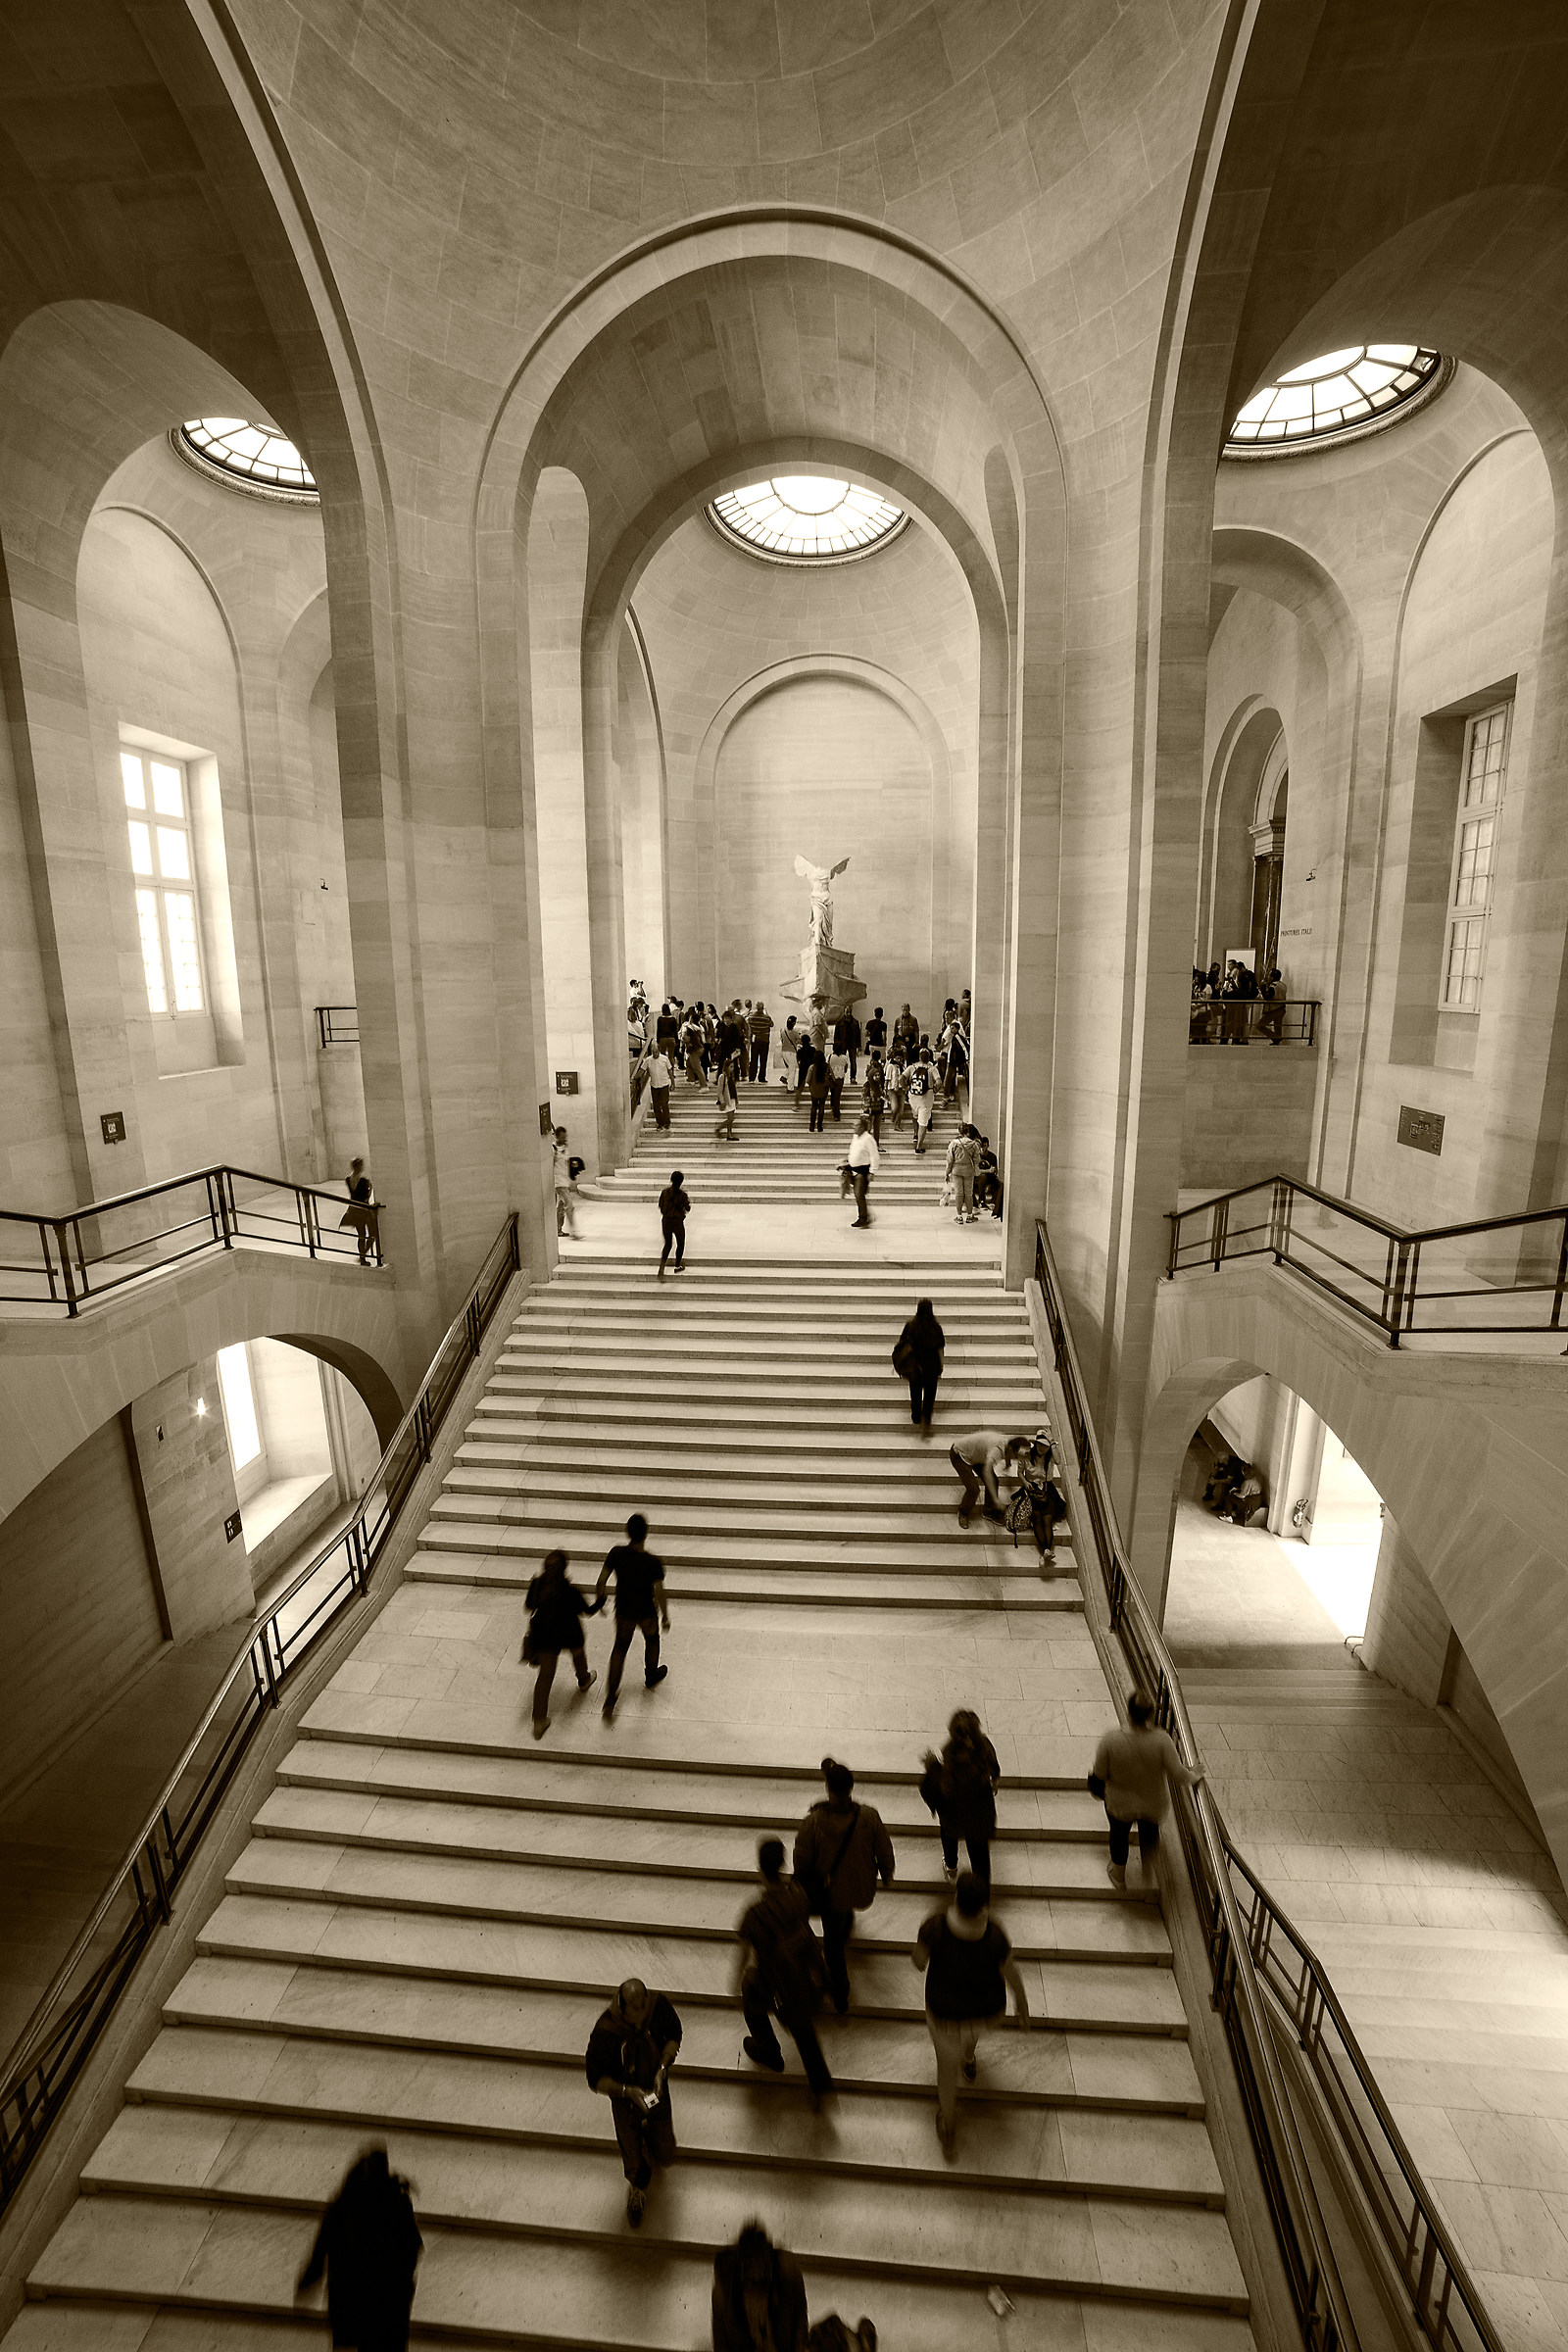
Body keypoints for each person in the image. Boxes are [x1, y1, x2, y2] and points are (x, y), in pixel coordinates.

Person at [911, 1870, 1032, 2157]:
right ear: (983, 1905)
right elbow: (1011, 1973)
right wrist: (1023, 2003)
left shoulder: (936, 1927)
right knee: (972, 2032)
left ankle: (949, 2123)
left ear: (956, 1897)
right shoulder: (994, 1935)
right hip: (986, 2011)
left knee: (945, 2071)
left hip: (944, 2015)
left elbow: (918, 1962)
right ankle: (968, 2058)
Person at [793, 1757, 895, 2015]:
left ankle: (840, 1994)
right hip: (859, 1886)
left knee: (833, 1947)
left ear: (828, 1789)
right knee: (842, 1917)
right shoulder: (869, 1817)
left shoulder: (814, 1823)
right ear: (851, 1788)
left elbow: (801, 1861)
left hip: (830, 1895)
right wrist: (886, 1874)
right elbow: (884, 1849)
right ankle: (846, 1921)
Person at [735, 1838, 833, 2104]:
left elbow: (743, 1954)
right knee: (804, 2031)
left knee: (749, 1994)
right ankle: (821, 2086)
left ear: (759, 1868)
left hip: (775, 1982)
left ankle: (768, 2050)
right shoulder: (798, 1894)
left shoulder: (753, 1914)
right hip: (804, 1975)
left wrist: (736, 1979)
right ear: (782, 1863)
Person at [1090, 1689, 1206, 1895]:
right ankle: (1147, 1875)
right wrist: (1194, 1774)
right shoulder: (1162, 1741)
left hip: (1119, 1804)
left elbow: (1098, 1774)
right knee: (1150, 1835)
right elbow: (1180, 1775)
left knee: (1118, 1835)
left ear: (1128, 1712)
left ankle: (1119, 1875)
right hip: (1153, 1804)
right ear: (1151, 1715)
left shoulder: (1111, 1741)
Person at [586, 1977, 682, 2228]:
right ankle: (638, 2187)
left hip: (655, 2089)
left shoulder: (658, 2007)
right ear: (623, 2007)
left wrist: (662, 2067)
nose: (640, 2017)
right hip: (624, 2097)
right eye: (634, 2013)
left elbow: (674, 2033)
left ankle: (651, 2139)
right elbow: (595, 2079)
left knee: (666, 2154)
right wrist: (627, 2091)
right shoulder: (605, 2032)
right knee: (632, 2151)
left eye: (643, 2007)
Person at [595, 1512, 669, 1716]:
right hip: (646, 1611)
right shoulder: (653, 1562)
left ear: (627, 1532)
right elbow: (660, 1592)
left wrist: (600, 1601)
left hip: (624, 1611)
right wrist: (665, 1616)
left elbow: (601, 1581)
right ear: (646, 1534)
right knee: (652, 1640)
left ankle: (610, 1696)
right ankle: (651, 1674)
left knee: (619, 1648)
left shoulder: (616, 1553)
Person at [920, 1709, 1001, 1889]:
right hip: (980, 1812)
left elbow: (947, 1790)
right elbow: (995, 1768)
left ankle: (951, 1868)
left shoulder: (951, 1755)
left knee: (949, 1836)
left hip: (956, 1813)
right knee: (980, 1856)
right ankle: (981, 1895)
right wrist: (993, 1782)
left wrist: (933, 1766)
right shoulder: (985, 1746)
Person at [521, 1546, 597, 1739]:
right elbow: (586, 1612)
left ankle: (539, 1721)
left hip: (545, 1635)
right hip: (569, 1632)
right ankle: (583, 1679)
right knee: (578, 1653)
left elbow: (529, 1606)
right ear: (564, 1569)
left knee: (545, 1677)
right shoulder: (569, 1591)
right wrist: (601, 1602)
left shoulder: (537, 1584)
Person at [711, 2221, 809, 2352]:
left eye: (761, 2268)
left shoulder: (787, 2273)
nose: (756, 2275)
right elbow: (721, 2341)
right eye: (751, 2268)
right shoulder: (723, 2292)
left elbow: (800, 2321)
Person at [949, 1428, 1025, 1525]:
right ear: (1011, 1450)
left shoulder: (1009, 1443)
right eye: (1016, 1457)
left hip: (976, 1455)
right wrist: (996, 1501)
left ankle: (988, 1511)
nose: (1016, 1459)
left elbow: (1008, 1454)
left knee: (994, 1481)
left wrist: (1007, 1464)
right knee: (973, 1489)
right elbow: (987, 1472)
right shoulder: (996, 1451)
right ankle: (963, 1512)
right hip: (959, 1454)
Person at [893, 1298, 945, 1434]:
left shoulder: (910, 1327)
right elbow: (940, 1349)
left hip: (915, 1367)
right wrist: (941, 1365)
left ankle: (916, 1417)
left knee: (915, 1392)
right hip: (931, 1367)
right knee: (929, 1395)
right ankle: (926, 1418)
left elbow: (902, 1344)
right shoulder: (936, 1328)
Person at [339, 1157, 379, 1265]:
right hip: (364, 1210)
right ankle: (363, 1254)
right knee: (373, 1233)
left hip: (353, 1208)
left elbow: (353, 1194)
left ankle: (362, 1258)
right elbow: (366, 1197)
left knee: (361, 1235)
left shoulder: (348, 1179)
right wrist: (370, 1188)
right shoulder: (364, 1180)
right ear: (359, 1166)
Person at [943, 1123, 982, 1222]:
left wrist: (947, 1172)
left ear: (959, 1131)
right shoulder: (973, 1144)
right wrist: (976, 1169)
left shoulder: (953, 1143)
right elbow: (977, 1159)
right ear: (967, 1132)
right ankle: (969, 1215)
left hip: (956, 1170)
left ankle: (959, 1216)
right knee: (969, 1193)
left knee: (958, 1193)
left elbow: (950, 1160)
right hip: (969, 1170)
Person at [846, 1115, 879, 1228]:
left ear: (861, 1127)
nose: (853, 1127)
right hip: (853, 1170)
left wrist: (872, 1172)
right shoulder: (855, 1137)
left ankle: (863, 1218)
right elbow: (853, 1150)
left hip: (862, 1172)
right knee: (858, 1194)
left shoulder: (868, 1139)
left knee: (859, 1194)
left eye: (855, 1125)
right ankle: (866, 1215)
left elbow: (874, 1156)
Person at [658, 1169, 690, 1276]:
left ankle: (662, 1267)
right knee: (680, 1243)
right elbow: (687, 1208)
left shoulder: (664, 1192)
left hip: (666, 1221)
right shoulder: (682, 1195)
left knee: (668, 1244)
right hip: (677, 1222)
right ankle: (677, 1265)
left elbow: (660, 1206)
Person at [552, 1127, 578, 1238]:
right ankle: (574, 1231)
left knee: (561, 1207)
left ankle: (558, 1229)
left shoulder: (566, 1147)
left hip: (565, 1181)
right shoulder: (552, 1149)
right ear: (557, 1136)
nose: (564, 1139)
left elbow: (566, 1162)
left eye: (565, 1137)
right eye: (562, 1137)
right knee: (569, 1205)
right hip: (559, 1182)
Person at [906, 1050, 935, 1152]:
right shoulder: (932, 1069)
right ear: (929, 1058)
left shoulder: (912, 1067)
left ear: (919, 1057)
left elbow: (901, 1078)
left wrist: (907, 1088)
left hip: (913, 1097)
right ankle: (919, 1146)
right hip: (926, 1098)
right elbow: (939, 1082)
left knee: (915, 1115)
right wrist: (934, 1090)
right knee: (923, 1122)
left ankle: (915, 1133)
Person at [713, 1052, 739, 1142]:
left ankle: (729, 1134)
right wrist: (722, 1101)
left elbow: (733, 1089)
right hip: (727, 1100)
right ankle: (719, 1129)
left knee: (730, 1119)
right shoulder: (722, 1077)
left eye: (733, 1067)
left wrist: (736, 1100)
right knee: (731, 1118)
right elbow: (719, 1091)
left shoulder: (730, 1076)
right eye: (730, 1067)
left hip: (732, 1099)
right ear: (726, 1067)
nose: (732, 1069)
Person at [647, 1044, 673, 1131]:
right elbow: (642, 1070)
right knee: (656, 1106)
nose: (655, 1054)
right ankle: (660, 1123)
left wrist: (673, 1083)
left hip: (664, 1085)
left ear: (659, 1051)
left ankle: (667, 1122)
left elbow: (670, 1070)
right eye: (653, 1052)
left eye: (656, 1052)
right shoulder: (648, 1060)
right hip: (654, 1086)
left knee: (664, 1104)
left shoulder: (665, 1059)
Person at [861, 1050, 885, 1141]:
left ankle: (873, 1144)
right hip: (873, 1105)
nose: (878, 1076)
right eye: (877, 1075)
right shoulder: (868, 1085)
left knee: (874, 1127)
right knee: (871, 1127)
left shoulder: (870, 1067)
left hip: (875, 1105)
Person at [748, 1001, 773, 1082]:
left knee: (754, 1059)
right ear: (763, 1008)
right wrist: (767, 1013)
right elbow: (772, 1024)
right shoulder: (766, 1018)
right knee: (763, 1060)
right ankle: (761, 1077)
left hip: (755, 1040)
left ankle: (752, 1077)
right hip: (764, 1040)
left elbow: (749, 1025)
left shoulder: (751, 1017)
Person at [806, 1052, 829, 1133]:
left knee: (814, 1107)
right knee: (822, 1106)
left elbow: (807, 1080)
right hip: (823, 1090)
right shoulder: (827, 1067)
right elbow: (831, 1077)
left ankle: (812, 1126)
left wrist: (811, 1085)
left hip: (814, 1090)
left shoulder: (812, 1067)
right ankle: (820, 1126)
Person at [826, 1041, 848, 1122]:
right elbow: (845, 1069)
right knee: (837, 1097)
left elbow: (827, 1067)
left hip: (832, 1078)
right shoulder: (844, 1057)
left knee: (832, 1093)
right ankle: (836, 1115)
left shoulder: (830, 1056)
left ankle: (832, 1106)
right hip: (840, 1078)